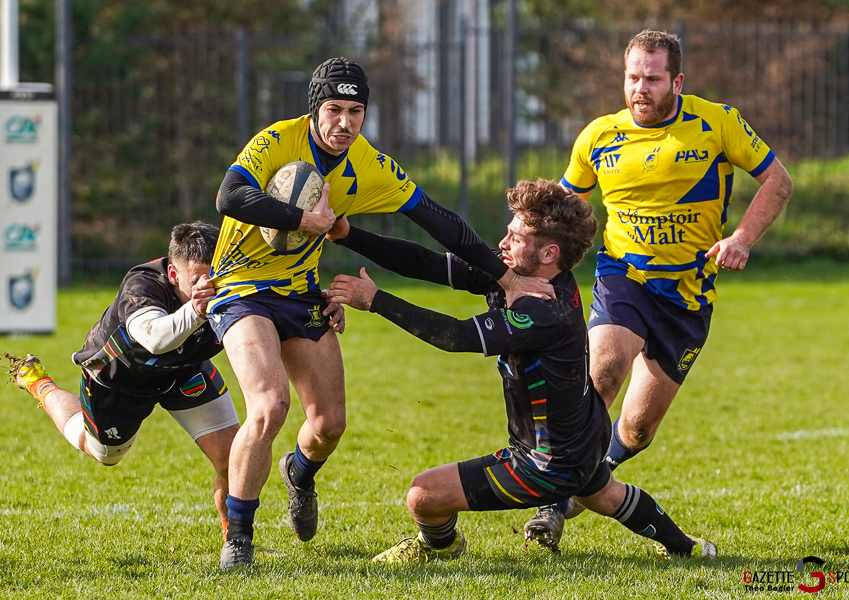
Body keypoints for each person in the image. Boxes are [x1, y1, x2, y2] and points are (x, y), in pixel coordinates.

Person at [208, 57, 551, 569]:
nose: (344, 123)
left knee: (329, 425)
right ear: (314, 110)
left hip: (301, 293)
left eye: (355, 111)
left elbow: (442, 223)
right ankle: (239, 540)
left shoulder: (368, 163)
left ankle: (299, 473)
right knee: (270, 404)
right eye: (333, 110)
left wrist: (508, 278)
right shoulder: (276, 140)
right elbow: (229, 197)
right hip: (241, 288)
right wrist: (307, 218)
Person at [326, 178, 716, 562]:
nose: (502, 243)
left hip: (546, 462)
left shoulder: (543, 309)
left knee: (423, 496)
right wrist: (349, 234)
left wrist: (376, 300)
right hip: (585, 434)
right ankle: (687, 547)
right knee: (603, 493)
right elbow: (431, 264)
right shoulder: (522, 278)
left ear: (548, 253)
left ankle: (438, 546)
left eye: (515, 237)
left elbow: (456, 336)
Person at [520, 29, 794, 548]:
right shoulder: (598, 136)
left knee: (638, 430)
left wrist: (741, 237)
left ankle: (585, 478)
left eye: (652, 78)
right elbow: (560, 211)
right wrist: (521, 259)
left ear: (677, 81)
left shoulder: (717, 123)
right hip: (625, 277)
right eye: (632, 77)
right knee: (603, 373)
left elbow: (778, 181)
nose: (639, 88)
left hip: (688, 298)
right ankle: (553, 502)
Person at [5, 222, 241, 536]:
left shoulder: (233, 281)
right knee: (101, 453)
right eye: (199, 279)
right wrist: (198, 310)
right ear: (173, 275)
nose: (211, 285)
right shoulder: (142, 285)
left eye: (217, 276)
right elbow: (155, 339)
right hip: (118, 379)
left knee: (233, 453)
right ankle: (38, 383)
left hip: (184, 369)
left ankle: (235, 538)